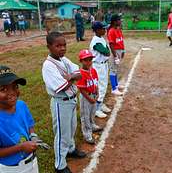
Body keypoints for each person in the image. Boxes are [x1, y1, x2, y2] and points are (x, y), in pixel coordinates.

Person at [42, 32, 86, 173]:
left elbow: (79, 73)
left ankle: (70, 149)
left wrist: (70, 76)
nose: (62, 48)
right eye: (58, 46)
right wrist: (71, 78)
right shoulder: (48, 65)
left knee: (72, 128)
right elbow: (62, 86)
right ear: (49, 47)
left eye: (64, 45)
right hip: (61, 102)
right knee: (62, 134)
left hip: (71, 100)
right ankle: (59, 165)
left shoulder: (64, 59)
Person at [0, 65, 49, 172]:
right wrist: (21, 147)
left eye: (15, 86)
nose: (12, 92)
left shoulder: (21, 105)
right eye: (3, 89)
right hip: (11, 169)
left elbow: (29, 124)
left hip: (31, 161)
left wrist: (33, 136)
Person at [76, 49, 103, 144]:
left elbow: (96, 83)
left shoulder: (93, 70)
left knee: (92, 112)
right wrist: (89, 98)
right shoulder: (81, 73)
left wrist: (97, 92)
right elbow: (81, 89)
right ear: (81, 61)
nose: (88, 62)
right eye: (85, 60)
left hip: (93, 95)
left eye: (90, 59)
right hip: (86, 98)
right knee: (85, 116)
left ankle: (92, 125)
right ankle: (87, 133)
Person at [90, 21, 111, 118]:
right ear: (97, 30)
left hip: (103, 65)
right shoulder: (95, 41)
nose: (105, 30)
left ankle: (100, 104)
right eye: (103, 28)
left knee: (104, 85)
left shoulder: (101, 38)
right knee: (101, 87)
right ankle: (96, 109)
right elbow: (106, 52)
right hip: (98, 66)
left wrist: (107, 51)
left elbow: (107, 50)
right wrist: (107, 51)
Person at [107, 14, 125, 96]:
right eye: (119, 20)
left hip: (119, 51)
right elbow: (111, 44)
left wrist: (123, 50)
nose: (120, 21)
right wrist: (115, 56)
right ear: (114, 22)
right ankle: (114, 88)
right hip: (114, 52)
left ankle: (116, 85)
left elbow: (121, 41)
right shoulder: (111, 31)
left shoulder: (118, 30)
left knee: (116, 69)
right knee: (113, 70)